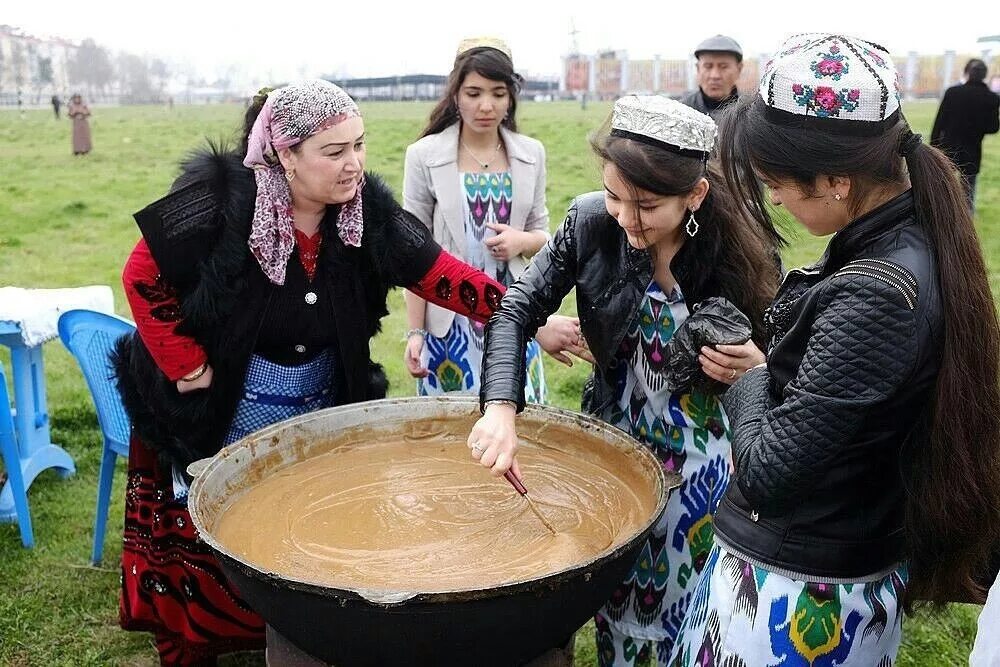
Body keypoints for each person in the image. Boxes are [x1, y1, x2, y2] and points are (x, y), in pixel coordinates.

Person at [112, 79, 577, 665]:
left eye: (359, 145)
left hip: (316, 393)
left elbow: (441, 275)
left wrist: (530, 320)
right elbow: (140, 274)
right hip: (220, 395)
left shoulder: (367, 211)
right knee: (213, 519)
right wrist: (186, 361)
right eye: (334, 152)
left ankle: (296, 627)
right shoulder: (219, 197)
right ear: (284, 153)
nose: (354, 163)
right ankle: (210, 636)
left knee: (295, 507)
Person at [667, 34, 1000, 665]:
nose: (774, 202)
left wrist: (750, 378)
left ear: (836, 180)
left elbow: (768, 475)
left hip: (799, 599)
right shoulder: (905, 234)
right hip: (833, 559)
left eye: (776, 186)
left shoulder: (877, 296)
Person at [469, 95, 782, 664]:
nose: (628, 219)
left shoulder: (737, 252)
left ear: (696, 195)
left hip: (701, 455)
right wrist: (499, 408)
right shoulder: (590, 222)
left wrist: (757, 367)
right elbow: (516, 309)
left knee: (689, 602)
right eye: (615, 197)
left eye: (648, 205)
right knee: (621, 593)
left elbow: (783, 365)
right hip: (615, 437)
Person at [402, 37, 555, 401]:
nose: (486, 105)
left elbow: (544, 236)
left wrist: (521, 241)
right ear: (455, 94)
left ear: (511, 97)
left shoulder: (531, 154)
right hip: (448, 323)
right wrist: (415, 332)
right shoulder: (424, 155)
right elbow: (411, 251)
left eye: (498, 93)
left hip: (515, 313)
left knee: (519, 426)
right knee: (451, 435)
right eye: (473, 93)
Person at [931, 58, 1000, 211]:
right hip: (973, 149)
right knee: (968, 189)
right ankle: (967, 220)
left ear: (968, 73)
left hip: (949, 147)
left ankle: (939, 212)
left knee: (943, 184)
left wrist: (934, 145)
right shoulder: (992, 98)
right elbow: (993, 127)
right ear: (984, 76)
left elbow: (940, 121)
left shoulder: (953, 92)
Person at [679, 35, 743, 120]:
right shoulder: (682, 111)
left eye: (723, 67)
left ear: (739, 69)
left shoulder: (750, 112)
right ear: (698, 69)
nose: (715, 76)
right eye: (708, 66)